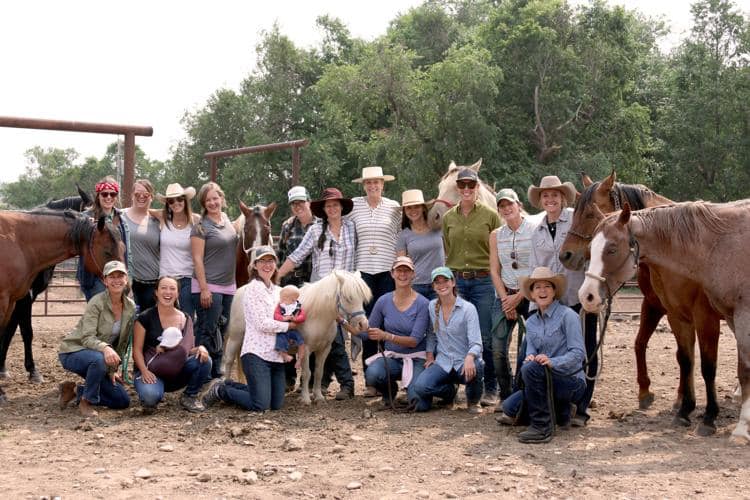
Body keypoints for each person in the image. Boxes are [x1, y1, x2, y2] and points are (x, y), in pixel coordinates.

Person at [527, 175, 597, 427]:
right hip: (552, 300)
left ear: (563, 197)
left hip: (578, 294)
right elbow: (537, 268)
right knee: (552, 349)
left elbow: (592, 252)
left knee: (586, 348)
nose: (550, 199)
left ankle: (583, 407)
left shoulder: (576, 220)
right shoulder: (537, 232)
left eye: (554, 194)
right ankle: (556, 400)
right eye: (545, 195)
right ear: (541, 200)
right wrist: (537, 303)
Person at [277, 187, 357, 400]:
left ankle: (343, 384)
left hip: (344, 290)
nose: (332, 208)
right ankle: (324, 384)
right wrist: (276, 275)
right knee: (320, 337)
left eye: (335, 205)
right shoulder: (315, 230)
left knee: (338, 337)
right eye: (328, 205)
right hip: (320, 292)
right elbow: (297, 255)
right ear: (323, 209)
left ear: (341, 207)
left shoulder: (351, 227)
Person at [202, 246, 297, 411]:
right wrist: (288, 325)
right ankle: (221, 390)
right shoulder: (252, 289)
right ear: (255, 265)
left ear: (275, 264)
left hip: (276, 356)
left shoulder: (279, 292)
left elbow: (294, 310)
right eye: (262, 261)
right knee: (260, 405)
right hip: (257, 354)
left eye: (271, 261)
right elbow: (262, 323)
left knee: (276, 404)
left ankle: (229, 384)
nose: (267, 265)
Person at [499, 267, 586, 444]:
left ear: (554, 291)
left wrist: (552, 362)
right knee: (509, 407)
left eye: (547, 286)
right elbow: (531, 350)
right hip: (543, 380)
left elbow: (578, 354)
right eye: (537, 287)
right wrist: (529, 358)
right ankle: (561, 411)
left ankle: (542, 427)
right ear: (531, 293)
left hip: (570, 380)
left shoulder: (568, 316)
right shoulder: (531, 322)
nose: (543, 291)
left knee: (531, 374)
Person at [441, 168, 501, 407]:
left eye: (471, 185)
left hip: (484, 281)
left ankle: (490, 387)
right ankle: (454, 385)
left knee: (485, 336)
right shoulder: (448, 218)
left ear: (477, 188)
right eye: (462, 186)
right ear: (457, 189)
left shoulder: (490, 215)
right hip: (458, 280)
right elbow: (448, 249)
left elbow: (496, 251)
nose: (466, 190)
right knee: (455, 333)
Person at [349, 166, 402, 397]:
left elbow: (402, 234)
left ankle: (388, 378)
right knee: (366, 324)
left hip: (387, 270)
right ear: (363, 185)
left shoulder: (393, 207)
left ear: (383, 184)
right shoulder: (354, 206)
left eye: (376, 182)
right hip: (363, 272)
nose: (372, 186)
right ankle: (370, 378)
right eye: (368, 183)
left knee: (387, 323)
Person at [58, 261, 134, 417]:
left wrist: (112, 370)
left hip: (100, 358)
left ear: (126, 280)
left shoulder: (130, 307)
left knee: (122, 400)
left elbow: (122, 342)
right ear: (104, 281)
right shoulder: (96, 302)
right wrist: (106, 348)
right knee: (99, 360)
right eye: (111, 277)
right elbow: (87, 338)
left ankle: (74, 390)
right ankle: (87, 401)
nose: (116, 280)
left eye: (120, 276)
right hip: (74, 351)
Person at [132, 276, 212, 413]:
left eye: (172, 289)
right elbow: (137, 350)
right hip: (152, 372)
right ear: (156, 292)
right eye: (163, 288)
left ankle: (189, 396)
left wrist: (201, 348)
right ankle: (154, 391)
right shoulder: (144, 318)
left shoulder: (186, 318)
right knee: (150, 398)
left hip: (177, 371)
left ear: (178, 294)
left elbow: (188, 350)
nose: (167, 292)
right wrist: (144, 371)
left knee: (205, 360)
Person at [411, 267, 484, 414]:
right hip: (443, 361)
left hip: (463, 362)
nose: (442, 284)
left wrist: (470, 357)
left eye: (445, 280)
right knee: (420, 387)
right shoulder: (432, 306)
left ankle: (473, 401)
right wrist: (430, 354)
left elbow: (477, 342)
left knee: (478, 364)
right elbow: (432, 333)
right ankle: (450, 392)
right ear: (433, 286)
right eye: (437, 282)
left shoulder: (468, 309)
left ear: (453, 282)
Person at [362, 256, 429, 406]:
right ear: (392, 274)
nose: (403, 274)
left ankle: (448, 390)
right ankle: (389, 393)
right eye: (399, 270)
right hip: (392, 357)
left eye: (407, 271)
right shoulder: (383, 300)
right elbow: (368, 332)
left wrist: (386, 335)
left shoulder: (423, 303)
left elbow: (414, 341)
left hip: (416, 358)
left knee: (418, 404)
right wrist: (343, 321)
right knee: (372, 374)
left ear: (413, 274)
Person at [488, 188, 534, 402]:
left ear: (519, 205)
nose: (507, 209)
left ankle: (521, 393)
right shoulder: (496, 235)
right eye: (502, 206)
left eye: (510, 204)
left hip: (531, 295)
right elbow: (494, 270)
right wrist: (505, 299)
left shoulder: (534, 230)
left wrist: (520, 296)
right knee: (497, 348)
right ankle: (506, 394)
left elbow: (538, 267)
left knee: (527, 350)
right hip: (506, 295)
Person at [191, 181, 238, 378]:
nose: (212, 202)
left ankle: (215, 370)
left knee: (222, 328)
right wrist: (204, 288)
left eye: (215, 198)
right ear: (203, 203)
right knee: (207, 330)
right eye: (208, 200)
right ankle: (202, 372)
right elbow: (197, 258)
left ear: (221, 198)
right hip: (209, 285)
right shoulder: (201, 227)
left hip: (229, 285)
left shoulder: (227, 220)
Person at [276, 185, 317, 389]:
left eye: (301, 202)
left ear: (308, 201)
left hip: (311, 282)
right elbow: (281, 254)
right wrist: (277, 277)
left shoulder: (319, 224)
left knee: (311, 329)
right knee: (287, 326)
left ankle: (309, 380)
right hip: (290, 283)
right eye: (294, 203)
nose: (298, 206)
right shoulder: (287, 226)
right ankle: (288, 376)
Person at [76, 176, 129, 301]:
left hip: (117, 277)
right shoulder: (85, 217)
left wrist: (127, 273)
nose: (108, 197)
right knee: (99, 315)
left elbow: (127, 250)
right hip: (94, 278)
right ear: (98, 196)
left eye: (112, 194)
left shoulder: (121, 220)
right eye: (104, 194)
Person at [155, 183, 200, 320]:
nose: (176, 203)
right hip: (165, 279)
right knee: (164, 318)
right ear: (167, 203)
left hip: (187, 278)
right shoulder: (162, 217)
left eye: (180, 199)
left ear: (185, 200)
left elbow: (217, 221)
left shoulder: (195, 220)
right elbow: (138, 211)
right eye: (171, 201)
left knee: (186, 319)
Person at [396, 189, 444, 301]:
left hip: (440, 282)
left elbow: (450, 253)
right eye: (409, 207)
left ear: (423, 208)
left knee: (440, 318)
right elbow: (401, 265)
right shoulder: (404, 235)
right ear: (404, 211)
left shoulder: (438, 228)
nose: (413, 211)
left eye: (416, 206)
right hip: (416, 286)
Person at [122, 179, 161, 311]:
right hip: (127, 281)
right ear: (132, 195)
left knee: (148, 323)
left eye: (146, 194)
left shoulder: (158, 220)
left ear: (152, 197)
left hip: (152, 281)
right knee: (128, 322)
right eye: (138, 194)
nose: (141, 197)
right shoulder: (120, 216)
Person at [273, 285, 306, 366]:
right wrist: (283, 318)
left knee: (301, 342)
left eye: (283, 298)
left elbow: (303, 316)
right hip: (283, 330)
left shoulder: (297, 307)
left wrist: (295, 319)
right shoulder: (280, 306)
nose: (281, 300)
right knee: (280, 340)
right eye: (281, 298)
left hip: (293, 330)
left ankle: (300, 360)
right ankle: (284, 355)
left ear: (293, 300)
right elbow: (276, 315)